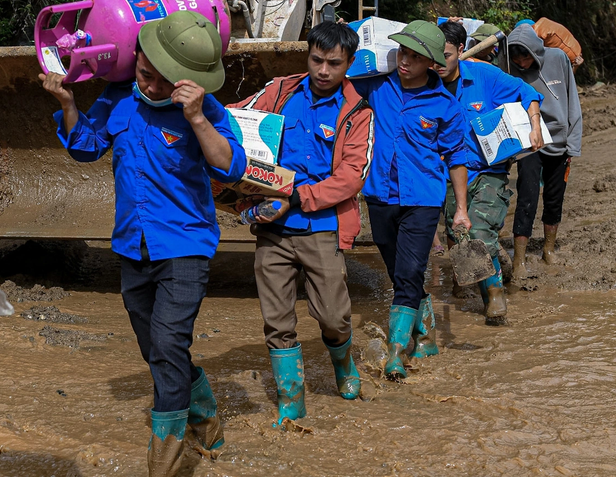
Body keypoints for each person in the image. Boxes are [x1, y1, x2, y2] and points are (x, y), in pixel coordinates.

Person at [41, 11, 245, 477]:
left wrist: (196, 117)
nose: (144, 79)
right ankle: (206, 415)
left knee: (170, 342)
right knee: (155, 349)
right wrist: (68, 103)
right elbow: (85, 147)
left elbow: (231, 166)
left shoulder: (208, 111)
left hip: (185, 247)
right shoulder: (118, 100)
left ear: (188, 81)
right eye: (142, 68)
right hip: (133, 246)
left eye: (156, 76)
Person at [226, 22, 373, 422]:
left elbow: (352, 176)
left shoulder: (358, 111)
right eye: (316, 60)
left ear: (349, 64)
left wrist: (294, 197)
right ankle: (291, 398)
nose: (323, 70)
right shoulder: (279, 90)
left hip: (322, 228)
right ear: (307, 55)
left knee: (333, 317)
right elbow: (234, 119)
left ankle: (342, 362)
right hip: (272, 230)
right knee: (276, 320)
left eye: (334, 63)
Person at [351, 21, 472, 379]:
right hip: (380, 195)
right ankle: (427, 333)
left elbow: (457, 157)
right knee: (397, 271)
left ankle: (396, 353)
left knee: (407, 272)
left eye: (415, 57)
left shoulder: (445, 106)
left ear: (432, 64)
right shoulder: (376, 86)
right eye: (402, 52)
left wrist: (461, 210)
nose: (404, 61)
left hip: (422, 199)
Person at [436, 21, 544, 325]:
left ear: (460, 51)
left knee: (480, 231)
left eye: (445, 55)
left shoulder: (484, 76)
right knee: (460, 236)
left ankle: (494, 295)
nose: (438, 63)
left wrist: (534, 125)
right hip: (448, 174)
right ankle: (490, 270)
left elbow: (528, 93)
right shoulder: (426, 82)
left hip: (488, 170)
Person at [506, 23, 583, 276]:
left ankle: (548, 250)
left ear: (536, 51)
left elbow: (572, 100)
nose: (521, 61)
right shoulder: (508, 69)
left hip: (559, 140)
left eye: (525, 55)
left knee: (554, 197)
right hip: (531, 140)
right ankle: (519, 260)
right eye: (515, 55)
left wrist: (573, 142)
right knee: (527, 196)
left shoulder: (558, 58)